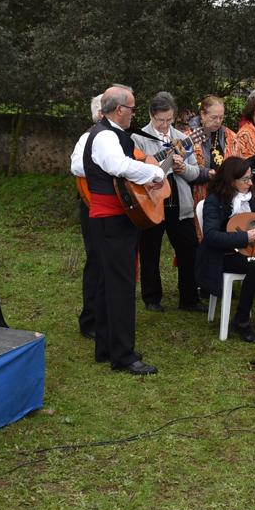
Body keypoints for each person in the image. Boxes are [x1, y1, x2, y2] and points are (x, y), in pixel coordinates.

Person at [82, 86, 166, 374]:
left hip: (114, 218)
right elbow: (117, 165)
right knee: (120, 286)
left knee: (109, 284)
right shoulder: (105, 135)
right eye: (132, 108)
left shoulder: (109, 133)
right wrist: (154, 173)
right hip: (112, 218)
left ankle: (107, 347)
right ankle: (123, 355)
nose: (133, 113)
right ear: (119, 109)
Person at [195, 157, 255, 342]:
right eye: (244, 179)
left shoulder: (249, 199)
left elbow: (251, 225)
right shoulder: (214, 201)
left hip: (243, 250)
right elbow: (210, 236)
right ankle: (241, 320)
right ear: (229, 179)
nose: (250, 183)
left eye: (251, 178)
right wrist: (244, 237)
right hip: (220, 254)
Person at [133, 92, 203, 313]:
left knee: (188, 249)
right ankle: (152, 298)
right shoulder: (138, 138)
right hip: (152, 203)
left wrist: (183, 168)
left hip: (179, 204)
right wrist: (164, 165)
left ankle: (189, 298)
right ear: (151, 115)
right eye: (161, 120)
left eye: (169, 120)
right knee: (150, 250)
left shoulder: (182, 137)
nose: (165, 125)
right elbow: (137, 172)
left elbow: (195, 173)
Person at [70, 94, 104, 340]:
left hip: (116, 208)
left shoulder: (121, 138)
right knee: (96, 261)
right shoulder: (87, 137)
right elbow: (77, 166)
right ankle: (89, 320)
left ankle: (107, 314)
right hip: (93, 205)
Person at [190, 95, 236, 208]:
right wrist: (207, 173)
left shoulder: (230, 136)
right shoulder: (189, 137)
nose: (218, 121)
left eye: (221, 117)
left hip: (227, 194)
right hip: (200, 195)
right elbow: (185, 169)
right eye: (214, 117)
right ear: (202, 115)